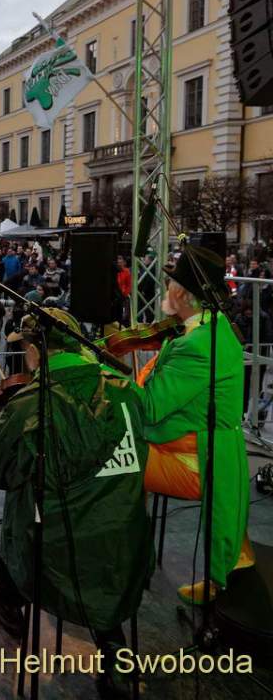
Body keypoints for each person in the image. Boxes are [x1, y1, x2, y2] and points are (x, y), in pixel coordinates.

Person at [0, 309, 151, 699]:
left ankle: (9, 600)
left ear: (36, 351)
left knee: (23, 499)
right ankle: (115, 654)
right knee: (90, 528)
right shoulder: (127, 392)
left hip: (56, 557)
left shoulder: (31, 404)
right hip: (125, 546)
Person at [134, 244, 251, 604]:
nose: (166, 288)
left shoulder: (197, 345)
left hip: (199, 461)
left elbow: (150, 408)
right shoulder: (215, 329)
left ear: (182, 294)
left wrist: (117, 378)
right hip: (215, 450)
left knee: (116, 463)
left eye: (171, 283)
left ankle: (127, 566)